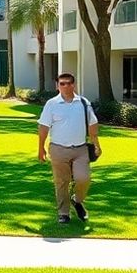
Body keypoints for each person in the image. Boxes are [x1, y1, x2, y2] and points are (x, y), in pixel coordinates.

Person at [36, 72, 99, 224]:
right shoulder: (51, 104)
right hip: (58, 149)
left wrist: (96, 144)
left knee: (83, 178)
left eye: (69, 83)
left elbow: (92, 125)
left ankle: (77, 200)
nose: (66, 86)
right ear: (57, 86)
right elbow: (43, 127)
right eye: (62, 83)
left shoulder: (83, 103)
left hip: (80, 149)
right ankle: (63, 213)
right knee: (61, 182)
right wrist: (41, 148)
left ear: (74, 85)